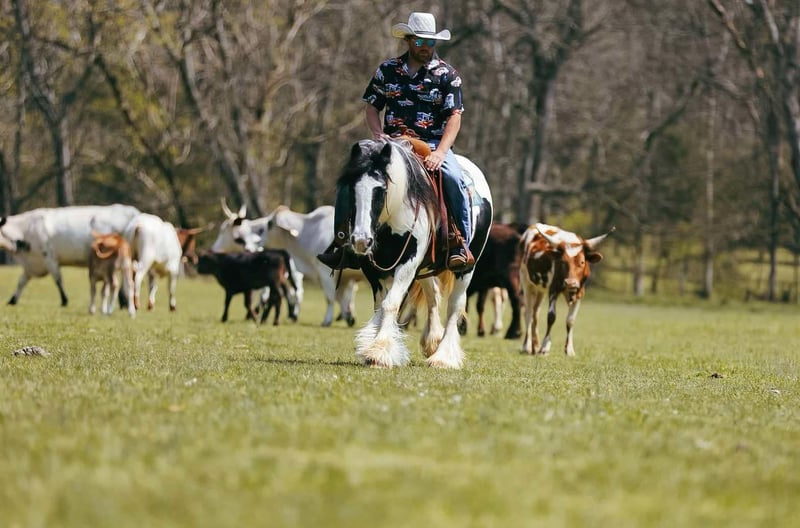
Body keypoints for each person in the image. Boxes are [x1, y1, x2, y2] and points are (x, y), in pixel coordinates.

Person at [318, 11, 475, 272]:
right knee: (353, 172)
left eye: (430, 42)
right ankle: (342, 240)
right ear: (408, 40)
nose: (426, 47)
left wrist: (441, 152)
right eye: (420, 42)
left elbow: (454, 117)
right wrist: (378, 134)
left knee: (453, 178)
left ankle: (459, 243)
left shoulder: (448, 74)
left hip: (432, 143)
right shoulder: (388, 70)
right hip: (392, 142)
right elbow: (372, 107)